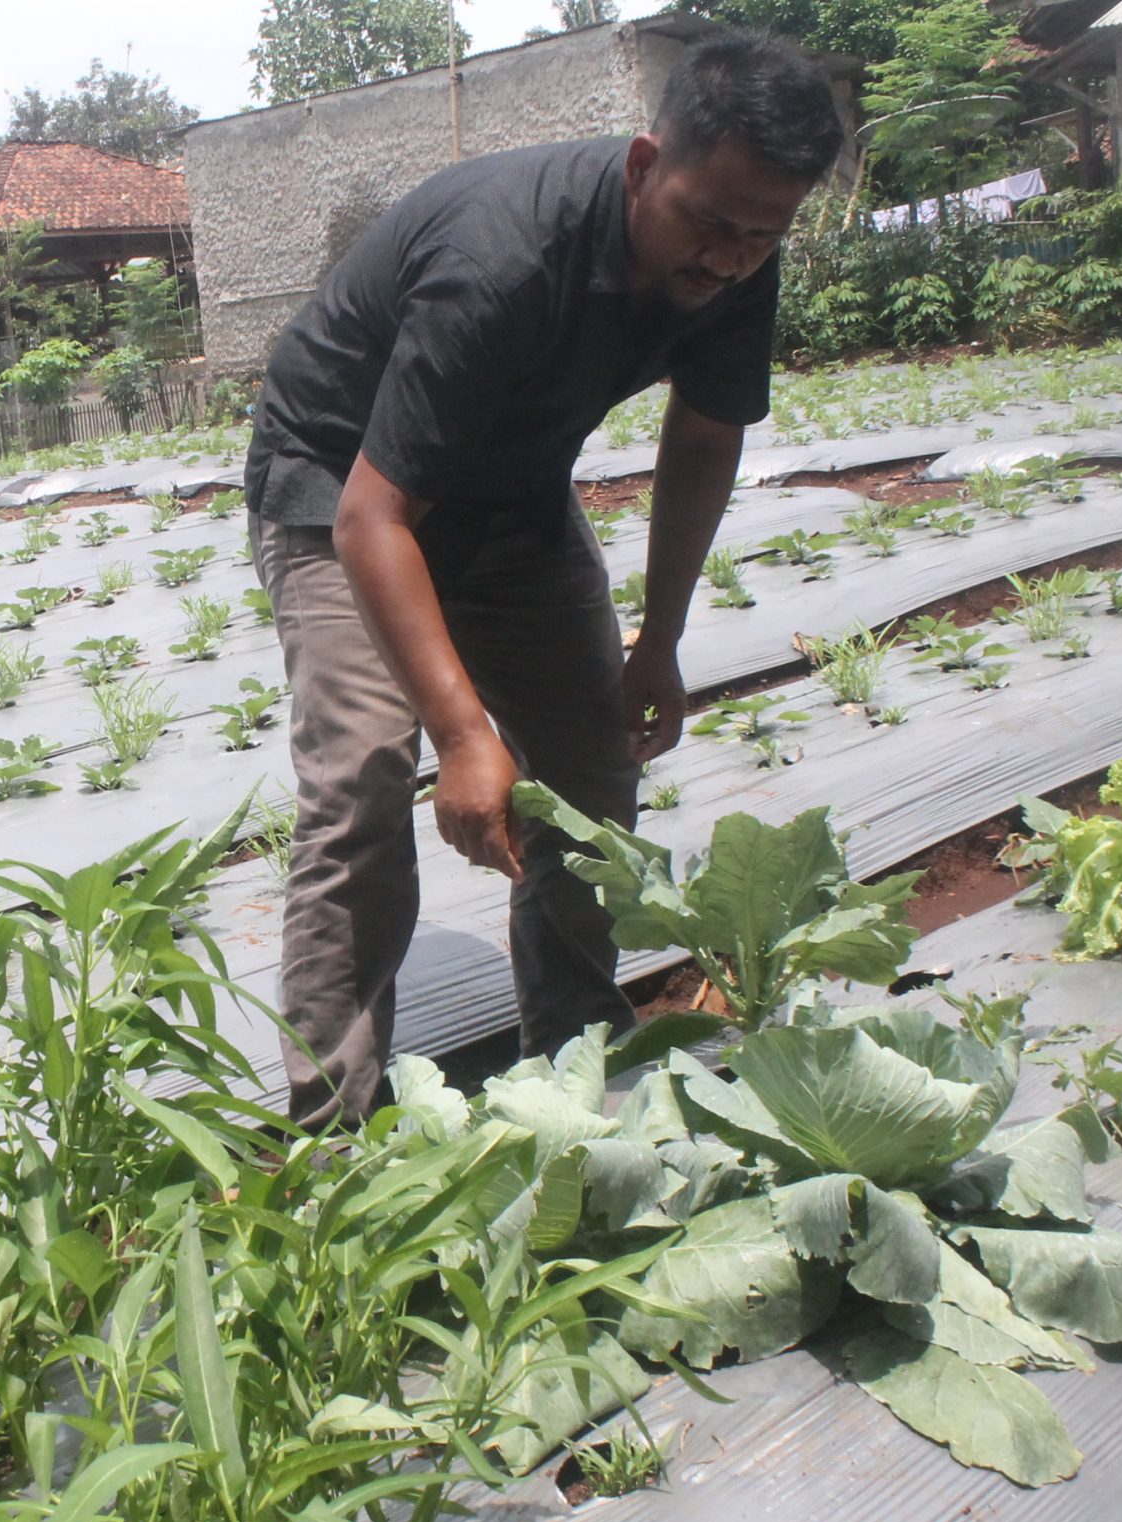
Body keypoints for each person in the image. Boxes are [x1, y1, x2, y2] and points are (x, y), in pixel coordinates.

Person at [242, 29, 847, 1129]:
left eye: (764, 233)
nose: (730, 257)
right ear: (640, 166)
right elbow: (376, 517)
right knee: (364, 780)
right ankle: (330, 1140)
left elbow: (704, 438)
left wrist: (656, 638)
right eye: (709, 222)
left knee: (587, 776)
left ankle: (578, 1059)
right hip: (339, 476)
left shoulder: (738, 260)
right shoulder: (502, 260)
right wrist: (467, 735)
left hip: (508, 489)